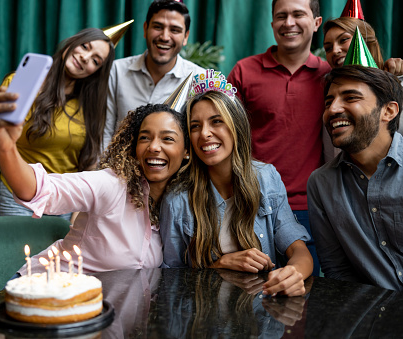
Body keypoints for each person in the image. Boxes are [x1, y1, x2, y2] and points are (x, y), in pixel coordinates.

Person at [0, 86, 189, 273]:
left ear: (187, 151)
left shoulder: (180, 205)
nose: (153, 147)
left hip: (102, 308)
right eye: (144, 137)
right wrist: (6, 146)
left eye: (167, 139)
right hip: (46, 291)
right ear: (133, 147)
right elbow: (39, 189)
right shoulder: (111, 185)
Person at [161, 88, 313, 297]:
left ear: (236, 127)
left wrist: (293, 273)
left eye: (216, 121)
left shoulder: (266, 178)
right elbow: (171, 278)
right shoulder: (177, 198)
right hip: (203, 322)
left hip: (262, 317)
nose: (204, 133)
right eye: (195, 126)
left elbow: (297, 249)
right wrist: (219, 263)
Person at [0, 28, 116, 219]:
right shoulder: (22, 84)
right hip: (18, 196)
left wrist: (78, 213)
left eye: (95, 60)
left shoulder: (92, 105)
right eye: (84, 46)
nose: (85, 57)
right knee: (14, 250)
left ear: (97, 71)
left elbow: (90, 164)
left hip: (65, 203)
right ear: (72, 43)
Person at [226, 0, 329, 277]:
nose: (289, 22)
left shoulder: (329, 76)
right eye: (281, 16)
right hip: (251, 205)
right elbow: (226, 135)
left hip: (312, 208)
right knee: (247, 303)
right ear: (272, 24)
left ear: (316, 23)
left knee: (302, 299)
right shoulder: (244, 71)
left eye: (298, 14)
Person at [308, 65, 403, 291]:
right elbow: (337, 271)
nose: (333, 109)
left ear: (388, 111)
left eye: (351, 97)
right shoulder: (321, 183)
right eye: (328, 102)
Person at [104, 0, 203, 149]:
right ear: (145, 29)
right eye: (158, 27)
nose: (164, 36)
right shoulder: (116, 71)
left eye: (175, 30)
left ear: (186, 37)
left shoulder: (199, 79)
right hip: (117, 169)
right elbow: (105, 134)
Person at [323, 16, 403, 75]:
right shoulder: (327, 89)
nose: (334, 51)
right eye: (328, 48)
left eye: (344, 40)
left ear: (366, 41)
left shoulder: (396, 80)